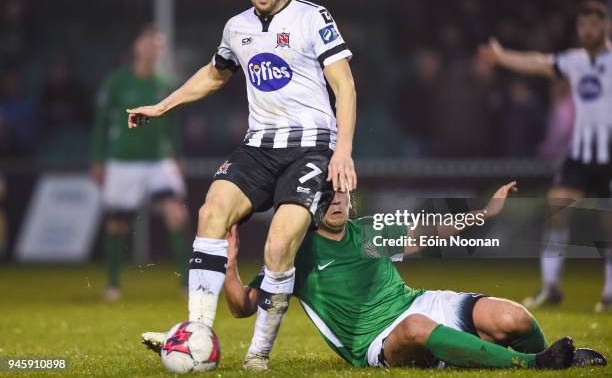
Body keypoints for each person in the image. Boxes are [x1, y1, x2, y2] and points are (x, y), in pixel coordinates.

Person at [126, 0, 357, 371]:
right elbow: (214, 75)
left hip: (310, 148)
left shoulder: (312, 18)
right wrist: (162, 106)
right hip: (259, 147)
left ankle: (258, 353)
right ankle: (197, 332)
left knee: (278, 245)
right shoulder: (237, 27)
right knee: (210, 212)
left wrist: (342, 151)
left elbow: (344, 84)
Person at [141, 183, 606, 370]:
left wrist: (484, 214)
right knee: (418, 330)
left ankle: (541, 352)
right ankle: (530, 367)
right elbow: (244, 306)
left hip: (420, 302)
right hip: (377, 341)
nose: (339, 201)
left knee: (514, 317)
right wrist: (229, 265)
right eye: (329, 195)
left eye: (342, 193)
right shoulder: (293, 253)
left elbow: (428, 232)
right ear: (311, 205)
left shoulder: (368, 231)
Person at [479, 0, 612, 311]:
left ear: (604, 26)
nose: (588, 30)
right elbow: (538, 62)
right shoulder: (575, 61)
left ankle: (609, 294)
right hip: (580, 155)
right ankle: (550, 288)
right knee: (556, 213)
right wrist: (501, 58)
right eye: (583, 25)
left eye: (594, 24)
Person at [91, 25, 189, 301]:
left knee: (176, 214)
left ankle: (186, 283)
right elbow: (100, 124)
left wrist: (178, 156)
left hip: (159, 161)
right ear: (137, 47)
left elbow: (174, 125)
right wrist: (98, 159)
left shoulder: (166, 83)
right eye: (148, 43)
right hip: (124, 162)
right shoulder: (117, 82)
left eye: (158, 45)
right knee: (116, 224)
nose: (152, 49)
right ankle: (113, 285)